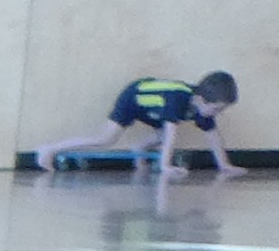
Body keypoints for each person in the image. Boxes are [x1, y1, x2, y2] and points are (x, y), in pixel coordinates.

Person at [37, 73, 251, 175]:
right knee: (105, 139)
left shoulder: (202, 104)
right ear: (201, 100)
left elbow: (213, 135)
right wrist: (165, 166)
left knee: (162, 136)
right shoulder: (177, 99)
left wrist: (224, 165)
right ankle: (49, 149)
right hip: (134, 98)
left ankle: (139, 147)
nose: (217, 114)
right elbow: (171, 134)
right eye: (217, 109)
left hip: (153, 108)